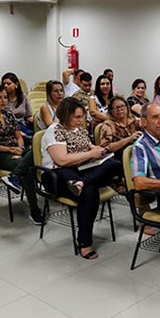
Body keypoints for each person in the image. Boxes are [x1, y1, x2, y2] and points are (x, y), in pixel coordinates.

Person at [41, 97, 121, 259]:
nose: (80, 120)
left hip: (81, 171)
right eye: (76, 117)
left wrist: (98, 150)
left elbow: (88, 148)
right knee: (89, 192)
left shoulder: (80, 130)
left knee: (114, 163)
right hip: (57, 174)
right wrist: (91, 154)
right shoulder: (55, 130)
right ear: (66, 114)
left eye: (81, 117)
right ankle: (84, 243)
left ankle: (82, 183)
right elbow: (61, 160)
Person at [0, 84, 44, 225]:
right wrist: (9, 150)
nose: (4, 101)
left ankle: (14, 176)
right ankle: (34, 210)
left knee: (40, 151)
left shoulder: (8, 114)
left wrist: (19, 148)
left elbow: (18, 136)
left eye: (5, 97)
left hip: (16, 150)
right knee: (29, 169)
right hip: (0, 155)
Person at [99, 96, 143, 162]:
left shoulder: (133, 120)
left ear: (127, 108)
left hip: (137, 153)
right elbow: (106, 147)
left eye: (122, 106)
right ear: (111, 111)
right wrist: (129, 139)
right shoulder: (108, 125)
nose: (120, 109)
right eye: (116, 108)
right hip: (119, 158)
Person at [2, 72, 33, 136]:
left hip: (22, 125)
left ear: (16, 84)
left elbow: (29, 116)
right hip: (7, 126)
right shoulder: (1, 99)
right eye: (4, 84)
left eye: (8, 84)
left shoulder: (23, 97)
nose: (5, 86)